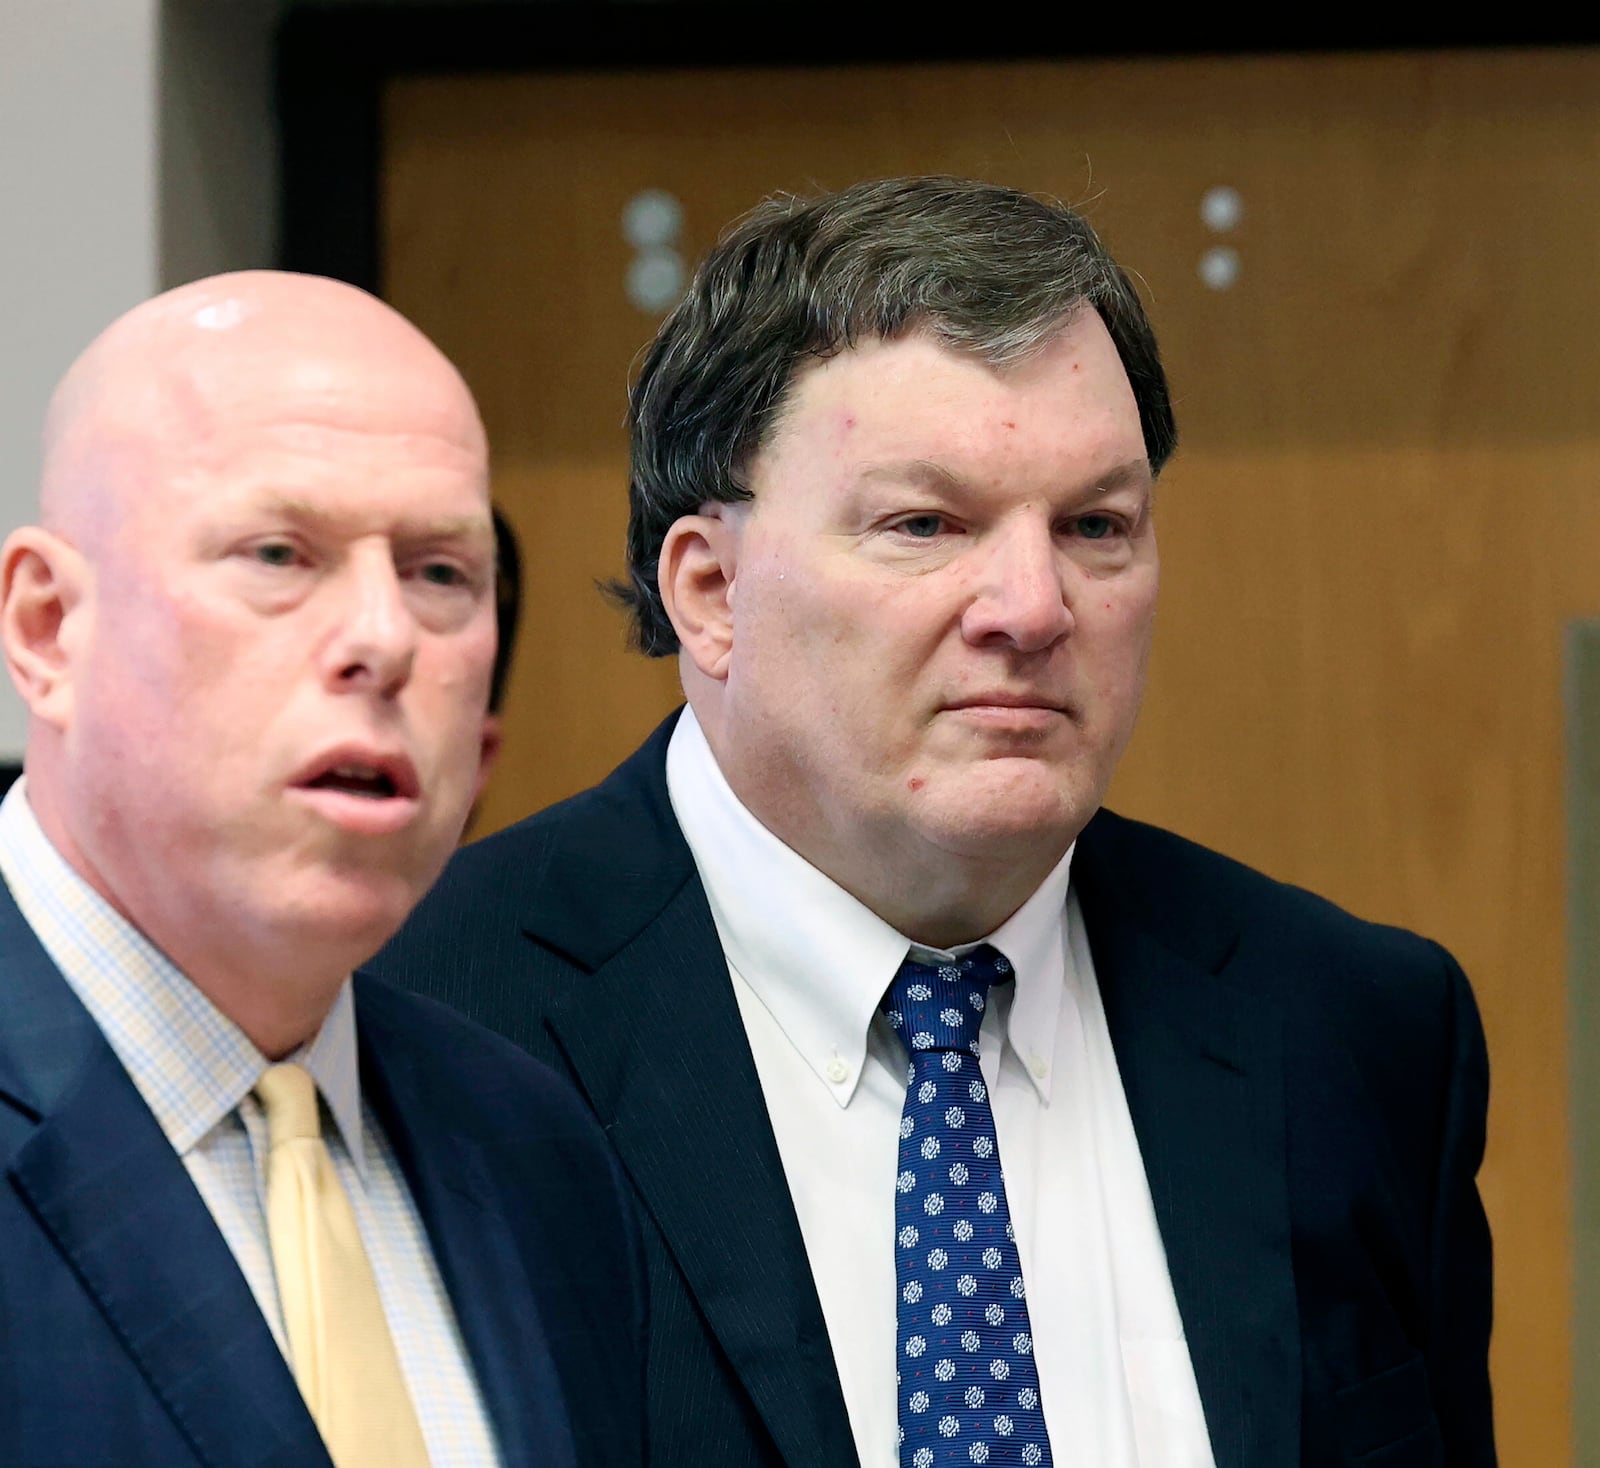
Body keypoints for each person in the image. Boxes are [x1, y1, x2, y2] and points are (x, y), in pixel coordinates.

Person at [372, 177, 1495, 1468]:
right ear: (709, 591)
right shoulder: (425, 1026)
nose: (1031, 605)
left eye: (1096, 527)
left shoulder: (1355, 1033)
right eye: (925, 524)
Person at [0, 271, 647, 1467]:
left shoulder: (538, 1152)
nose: (384, 638)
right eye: (279, 552)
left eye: (440, 572)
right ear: (49, 629)